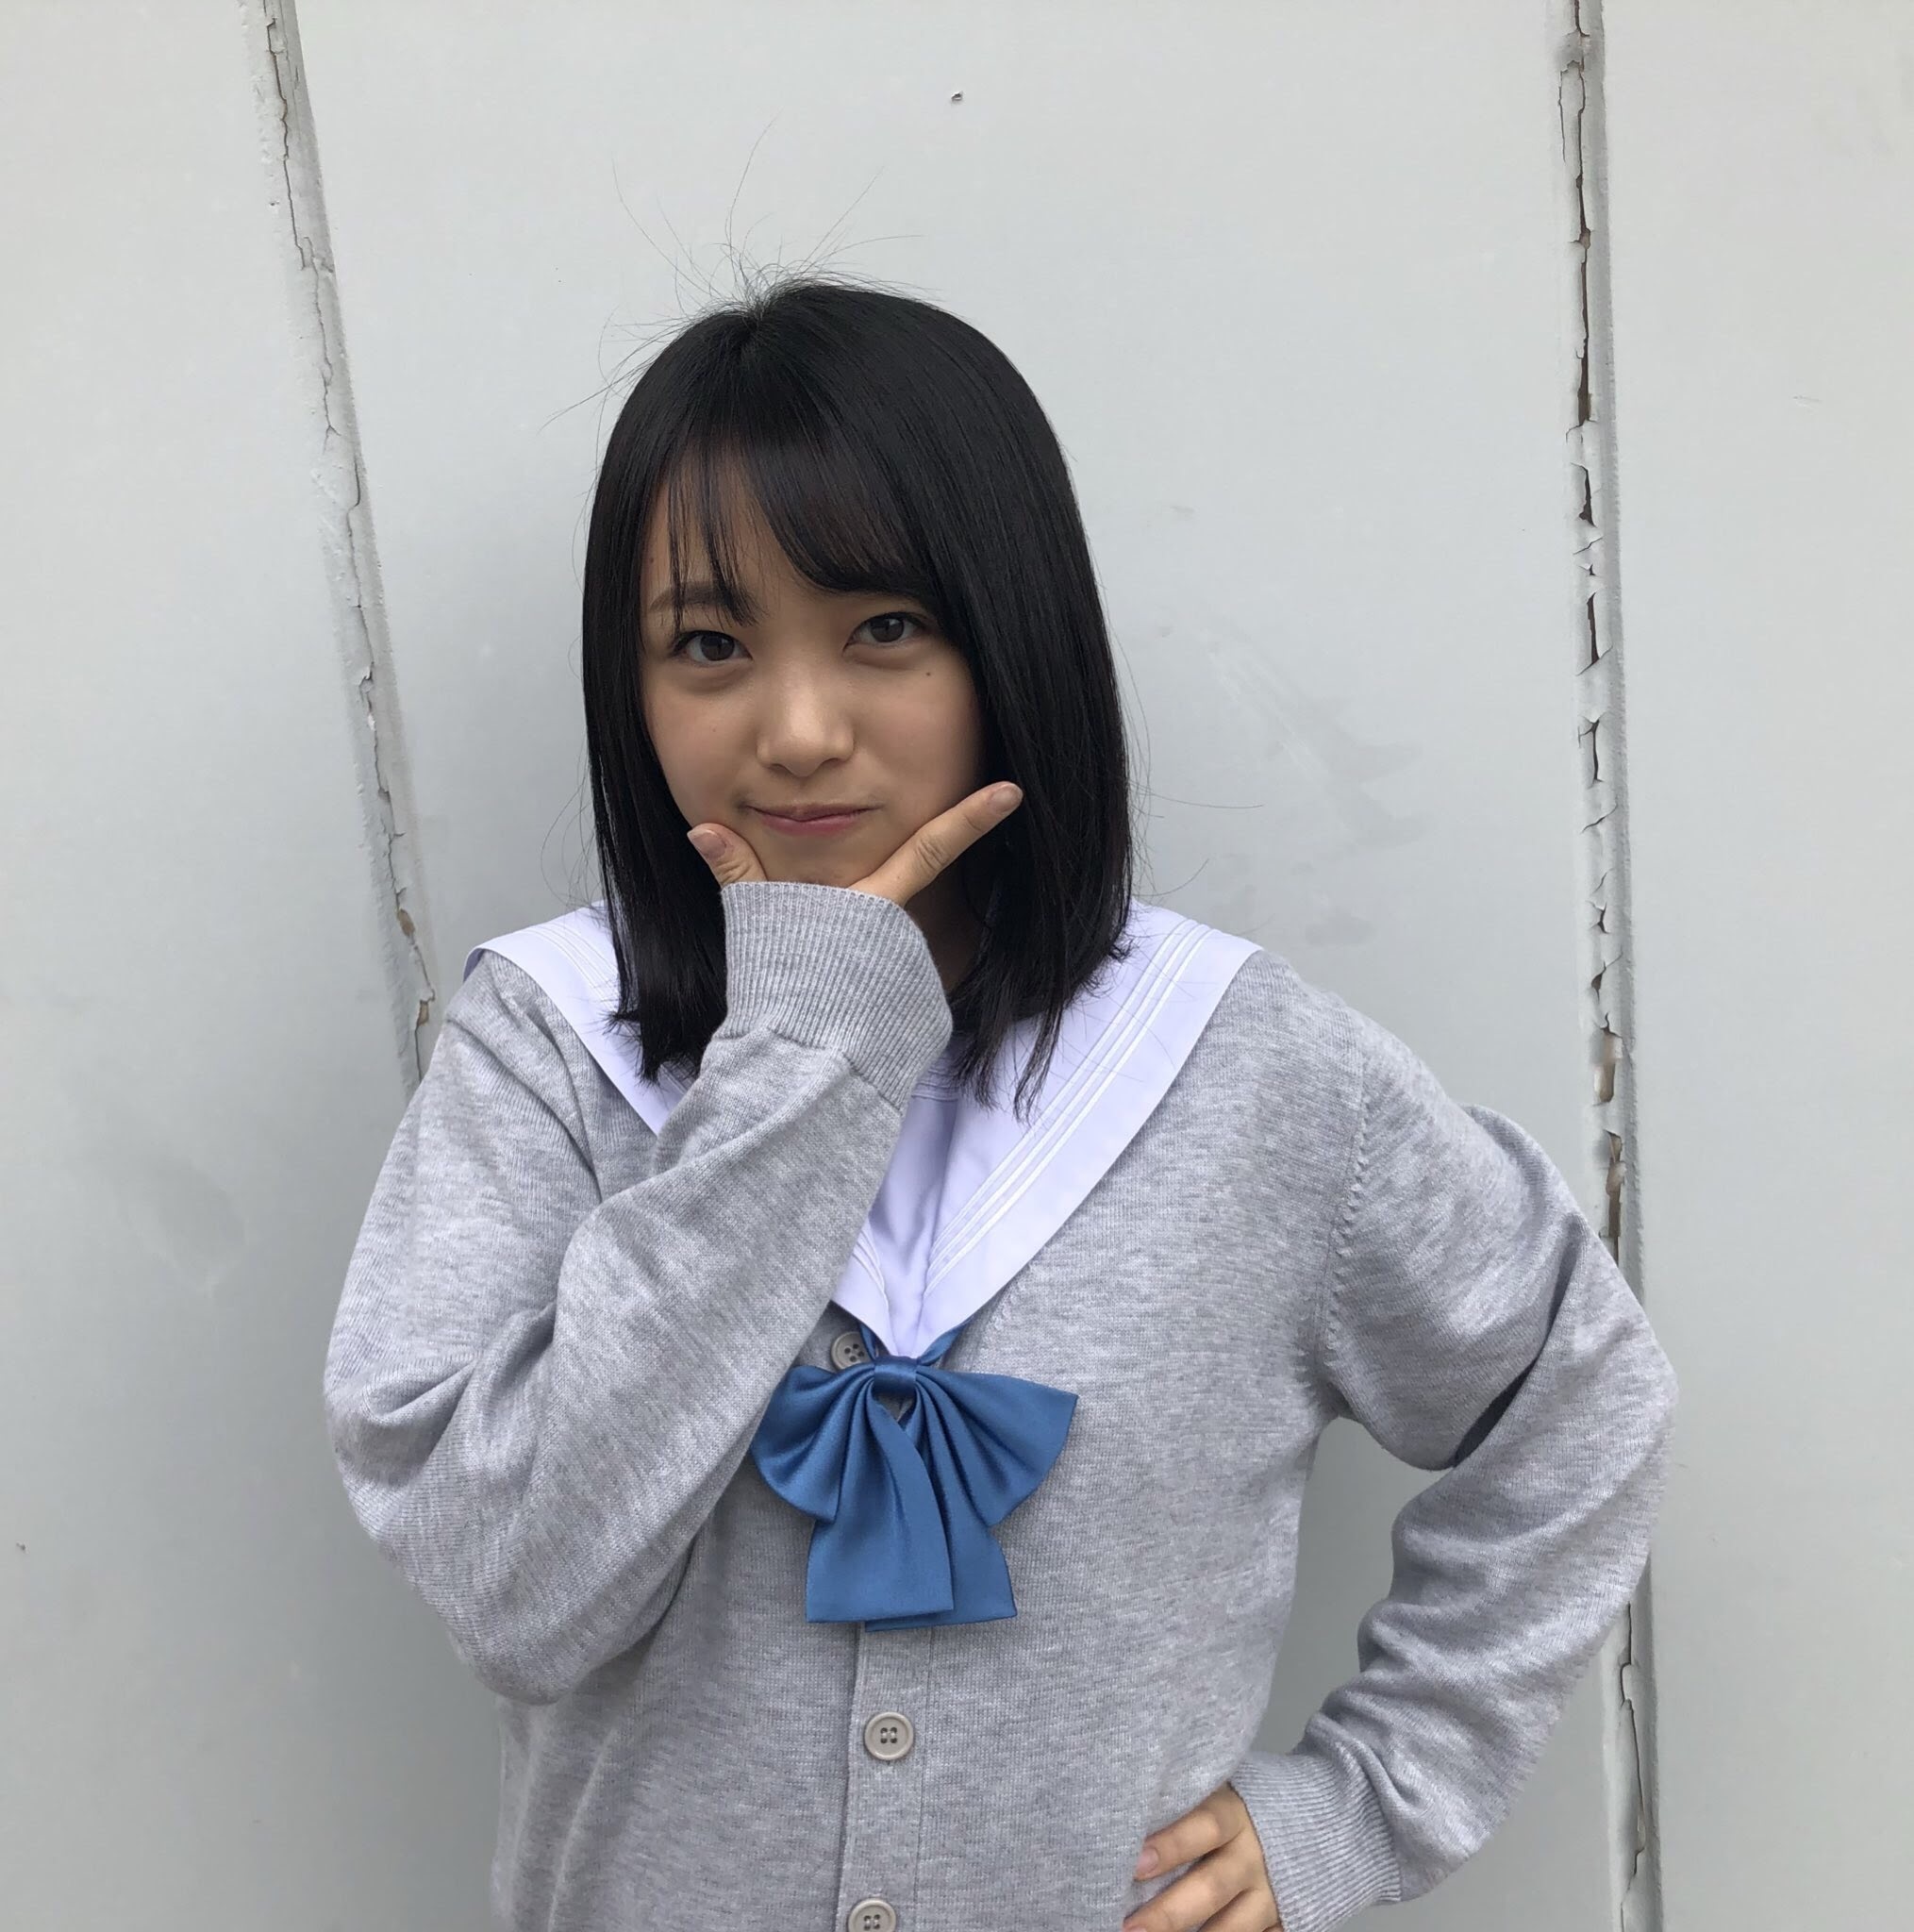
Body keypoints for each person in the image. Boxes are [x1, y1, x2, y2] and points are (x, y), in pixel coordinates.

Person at [323, 271, 1677, 1932]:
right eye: (709, 646)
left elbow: (1577, 1397)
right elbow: (520, 1591)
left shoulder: (1245, 1071)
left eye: (885, 628)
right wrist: (810, 1047)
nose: (797, 729)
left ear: (1009, 636)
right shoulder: (546, 1052)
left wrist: (1364, 1801)